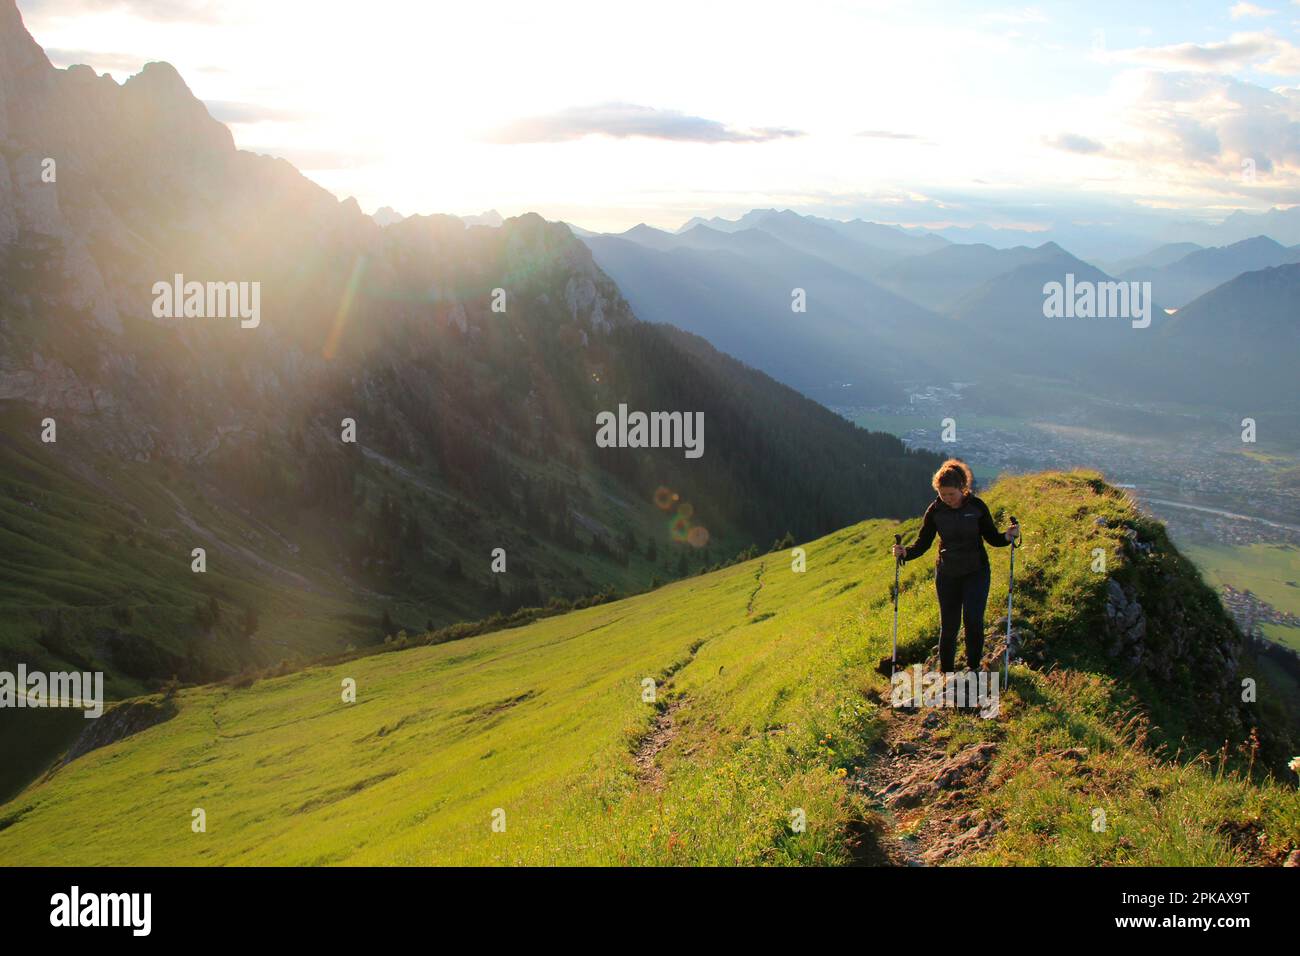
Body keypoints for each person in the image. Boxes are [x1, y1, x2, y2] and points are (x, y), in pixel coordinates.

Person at [891, 459, 1018, 674]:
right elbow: (923, 543)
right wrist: (905, 552)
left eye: (951, 494)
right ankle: (946, 673)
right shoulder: (935, 511)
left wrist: (1008, 536)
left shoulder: (977, 507)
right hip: (947, 573)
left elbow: (992, 538)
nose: (947, 499)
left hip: (976, 572)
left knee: (973, 620)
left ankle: (974, 667)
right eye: (943, 494)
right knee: (949, 625)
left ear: (962, 488)